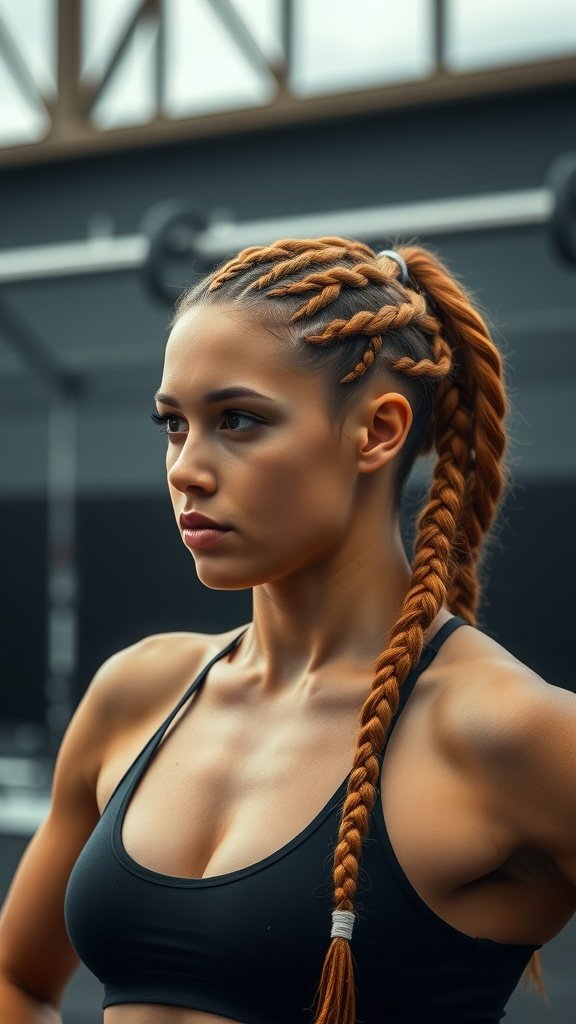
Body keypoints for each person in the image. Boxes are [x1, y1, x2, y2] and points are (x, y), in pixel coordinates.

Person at [0, 236, 575, 1024]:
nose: (185, 468)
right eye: (174, 425)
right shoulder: (137, 691)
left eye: (237, 420)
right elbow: (19, 981)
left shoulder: (512, 732)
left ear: (376, 432)